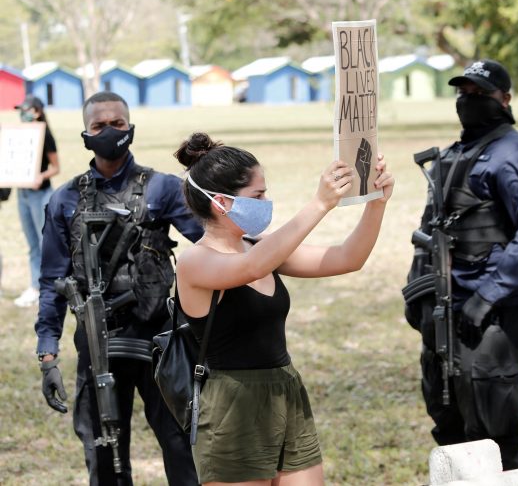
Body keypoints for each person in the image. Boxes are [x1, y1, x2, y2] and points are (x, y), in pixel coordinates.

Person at [173, 132, 394, 485]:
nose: (266, 202)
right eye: (257, 196)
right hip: (233, 404)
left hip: (286, 390)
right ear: (221, 202)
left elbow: (347, 258)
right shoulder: (194, 262)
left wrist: (375, 203)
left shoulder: (259, 248)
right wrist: (319, 204)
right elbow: (251, 269)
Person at [35, 91, 204, 485]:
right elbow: (51, 282)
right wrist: (48, 354)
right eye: (99, 126)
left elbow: (210, 241)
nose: (109, 131)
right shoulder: (64, 200)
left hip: (159, 339)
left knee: (181, 446)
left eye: (118, 124)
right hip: (97, 341)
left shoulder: (162, 188)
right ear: (85, 134)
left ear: (130, 128)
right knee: (104, 453)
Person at [403, 59, 518, 470]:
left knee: (494, 423)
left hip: (493, 312)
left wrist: (488, 295)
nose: (468, 100)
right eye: (463, 92)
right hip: (443, 310)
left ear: (505, 99)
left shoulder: (517, 154)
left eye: (480, 93)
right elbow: (429, 231)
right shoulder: (452, 155)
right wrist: (416, 292)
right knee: (447, 416)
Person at [13, 95, 60, 307]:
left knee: (45, 243)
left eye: (27, 109)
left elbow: (56, 167)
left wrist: (40, 176)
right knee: (32, 243)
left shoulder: (45, 135)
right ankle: (35, 286)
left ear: (37, 112)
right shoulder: (17, 135)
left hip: (39, 194)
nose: (23, 113)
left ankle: (49, 287)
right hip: (22, 194)